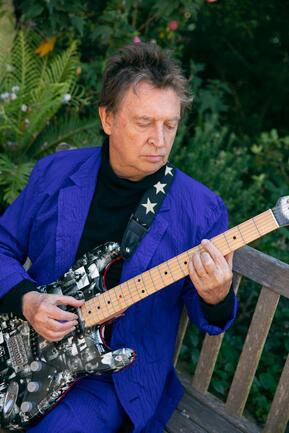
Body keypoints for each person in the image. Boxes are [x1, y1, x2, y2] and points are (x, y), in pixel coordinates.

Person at [0, 42, 237, 433]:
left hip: (109, 377)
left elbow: (209, 316)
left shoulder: (202, 210)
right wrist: (27, 300)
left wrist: (216, 296)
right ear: (107, 118)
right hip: (22, 341)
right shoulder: (55, 173)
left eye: (170, 125)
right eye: (144, 122)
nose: (159, 140)